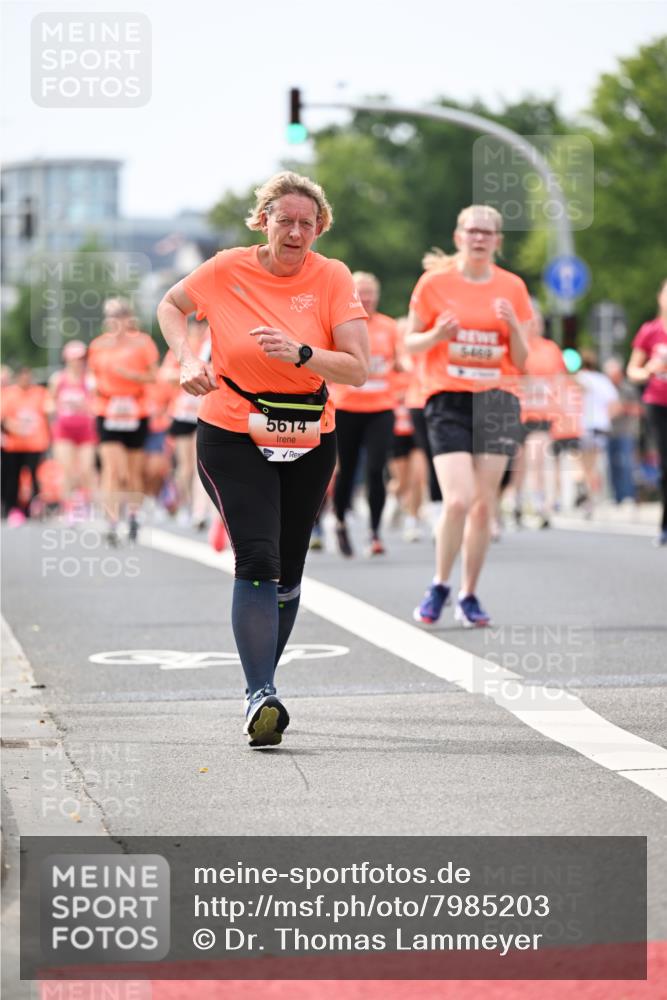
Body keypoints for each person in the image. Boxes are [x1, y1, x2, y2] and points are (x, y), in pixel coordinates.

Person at [157, 171, 369, 747]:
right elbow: (171, 306)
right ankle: (260, 696)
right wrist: (185, 358)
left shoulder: (332, 278)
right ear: (264, 222)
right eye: (285, 221)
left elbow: (357, 368)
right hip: (231, 428)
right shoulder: (226, 267)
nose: (296, 232)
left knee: (290, 569)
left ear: (319, 228)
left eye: (307, 223)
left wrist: (303, 353)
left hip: (308, 432)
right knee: (256, 554)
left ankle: (262, 683)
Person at [405, 204, 531, 627]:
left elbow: (522, 358)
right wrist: (437, 334)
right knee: (457, 500)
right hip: (447, 399)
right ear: (459, 236)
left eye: (487, 232)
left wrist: (513, 326)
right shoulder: (433, 284)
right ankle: (440, 583)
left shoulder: (512, 287)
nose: (479, 238)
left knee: (482, 507)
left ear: (497, 241)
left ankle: (469, 593)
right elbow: (410, 344)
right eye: (472, 231)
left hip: (497, 400)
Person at [329, 272, 400, 556]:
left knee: (376, 469)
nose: (366, 298)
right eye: (361, 292)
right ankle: (341, 521)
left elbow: (402, 360)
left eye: (371, 292)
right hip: (346, 407)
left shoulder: (390, 327)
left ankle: (374, 531)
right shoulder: (341, 324)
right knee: (345, 470)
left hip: (381, 407)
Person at [88, 298, 159, 543]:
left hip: (135, 410)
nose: (115, 320)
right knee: (113, 469)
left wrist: (131, 376)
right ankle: (110, 520)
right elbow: (92, 377)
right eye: (111, 315)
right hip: (107, 410)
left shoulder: (143, 343)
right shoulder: (98, 346)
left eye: (120, 315)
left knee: (131, 471)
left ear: (129, 318)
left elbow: (153, 376)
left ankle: (134, 515)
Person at [512, 303, 567, 528]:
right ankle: (515, 502)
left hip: (541, 413)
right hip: (516, 412)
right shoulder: (516, 346)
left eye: (538, 321)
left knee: (537, 457)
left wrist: (561, 406)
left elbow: (560, 378)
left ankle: (539, 503)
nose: (534, 325)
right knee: (517, 462)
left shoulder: (550, 348)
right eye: (530, 321)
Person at [627, 277, 667, 545]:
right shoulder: (650, 331)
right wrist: (648, 371)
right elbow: (633, 371)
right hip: (658, 402)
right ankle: (665, 524)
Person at [47, 339, 98, 515]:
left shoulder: (90, 380)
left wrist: (85, 407)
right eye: (75, 358)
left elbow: (96, 404)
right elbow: (49, 403)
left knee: (86, 469)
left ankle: (89, 506)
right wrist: (55, 409)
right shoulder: (58, 379)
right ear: (67, 359)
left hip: (85, 430)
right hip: (64, 430)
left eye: (81, 358)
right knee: (66, 470)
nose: (79, 362)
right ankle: (68, 508)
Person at [1, 367, 50, 521]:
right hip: (14, 445)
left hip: (35, 444)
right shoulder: (9, 394)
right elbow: (4, 418)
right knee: (12, 477)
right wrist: (16, 428)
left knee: (35, 476)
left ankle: (34, 508)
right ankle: (12, 508)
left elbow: (48, 412)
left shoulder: (40, 393)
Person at [575, 349, 619, 517]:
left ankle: (583, 491)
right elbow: (615, 406)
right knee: (593, 465)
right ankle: (590, 498)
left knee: (579, 463)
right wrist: (604, 418)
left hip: (580, 425)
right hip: (599, 426)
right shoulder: (603, 380)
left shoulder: (576, 379)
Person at [603, 357, 641, 504]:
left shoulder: (628, 388)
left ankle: (628, 495)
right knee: (611, 465)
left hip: (626, 432)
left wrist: (622, 408)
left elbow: (639, 409)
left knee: (626, 464)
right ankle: (616, 496)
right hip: (609, 432)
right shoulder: (605, 388)